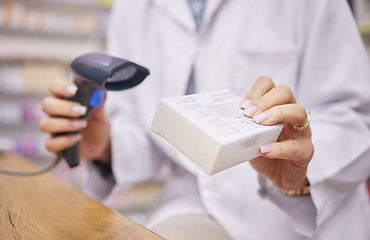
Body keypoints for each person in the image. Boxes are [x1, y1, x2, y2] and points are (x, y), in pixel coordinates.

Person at [39, 0, 370, 239]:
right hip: (188, 199)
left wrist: (300, 173)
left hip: (288, 217)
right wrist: (107, 145)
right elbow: (152, 129)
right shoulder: (133, 8)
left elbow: (354, 117)